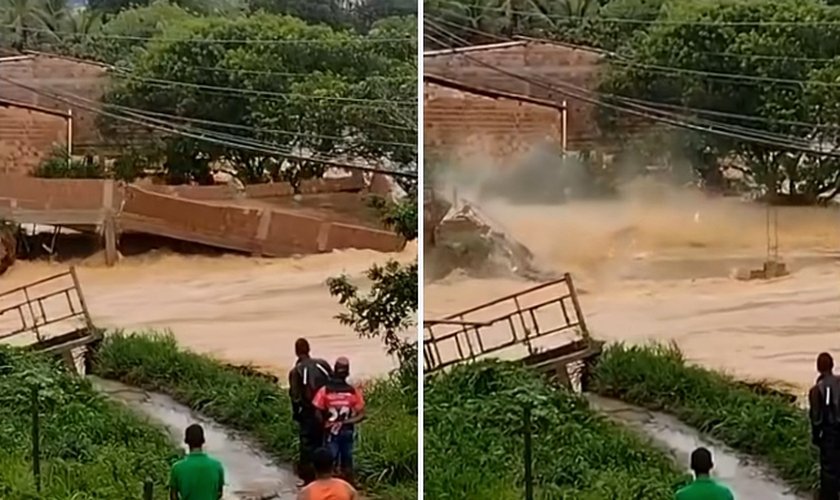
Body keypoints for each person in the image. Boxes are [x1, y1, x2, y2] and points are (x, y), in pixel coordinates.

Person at [312, 356, 366, 485]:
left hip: (331, 432)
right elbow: (361, 414)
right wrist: (346, 422)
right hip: (347, 431)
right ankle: (349, 485)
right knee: (347, 459)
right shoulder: (353, 391)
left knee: (330, 460)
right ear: (347, 373)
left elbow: (316, 411)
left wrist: (325, 424)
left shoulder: (325, 390)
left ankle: (329, 486)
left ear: (334, 371)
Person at [289, 337, 333, 485]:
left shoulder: (296, 371)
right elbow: (333, 384)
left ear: (296, 352)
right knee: (324, 441)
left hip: (308, 413)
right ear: (308, 349)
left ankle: (308, 479)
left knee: (307, 445)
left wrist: (296, 414)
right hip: (326, 411)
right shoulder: (322, 364)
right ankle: (328, 472)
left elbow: (295, 397)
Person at [809, 352, 840, 500]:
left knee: (828, 470)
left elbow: (816, 419)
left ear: (818, 368)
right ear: (833, 365)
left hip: (829, 434)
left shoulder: (816, 390)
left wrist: (816, 438)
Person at [169, 424, 225, 500]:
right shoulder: (217, 466)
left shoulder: (177, 468)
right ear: (203, 440)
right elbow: (219, 493)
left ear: (186, 441)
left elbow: (173, 496)